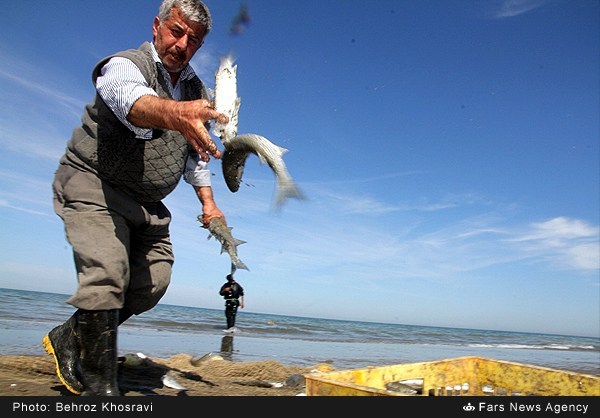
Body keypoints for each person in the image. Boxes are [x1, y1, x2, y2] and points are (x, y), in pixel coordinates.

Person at [42, 0, 229, 396]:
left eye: (192, 40)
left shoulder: (198, 92)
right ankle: (100, 389)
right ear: (157, 25)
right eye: (176, 31)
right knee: (107, 273)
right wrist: (174, 112)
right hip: (95, 183)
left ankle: (69, 335)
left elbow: (196, 158)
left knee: (153, 282)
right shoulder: (127, 64)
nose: (181, 43)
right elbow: (129, 100)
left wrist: (209, 204)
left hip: (148, 205)